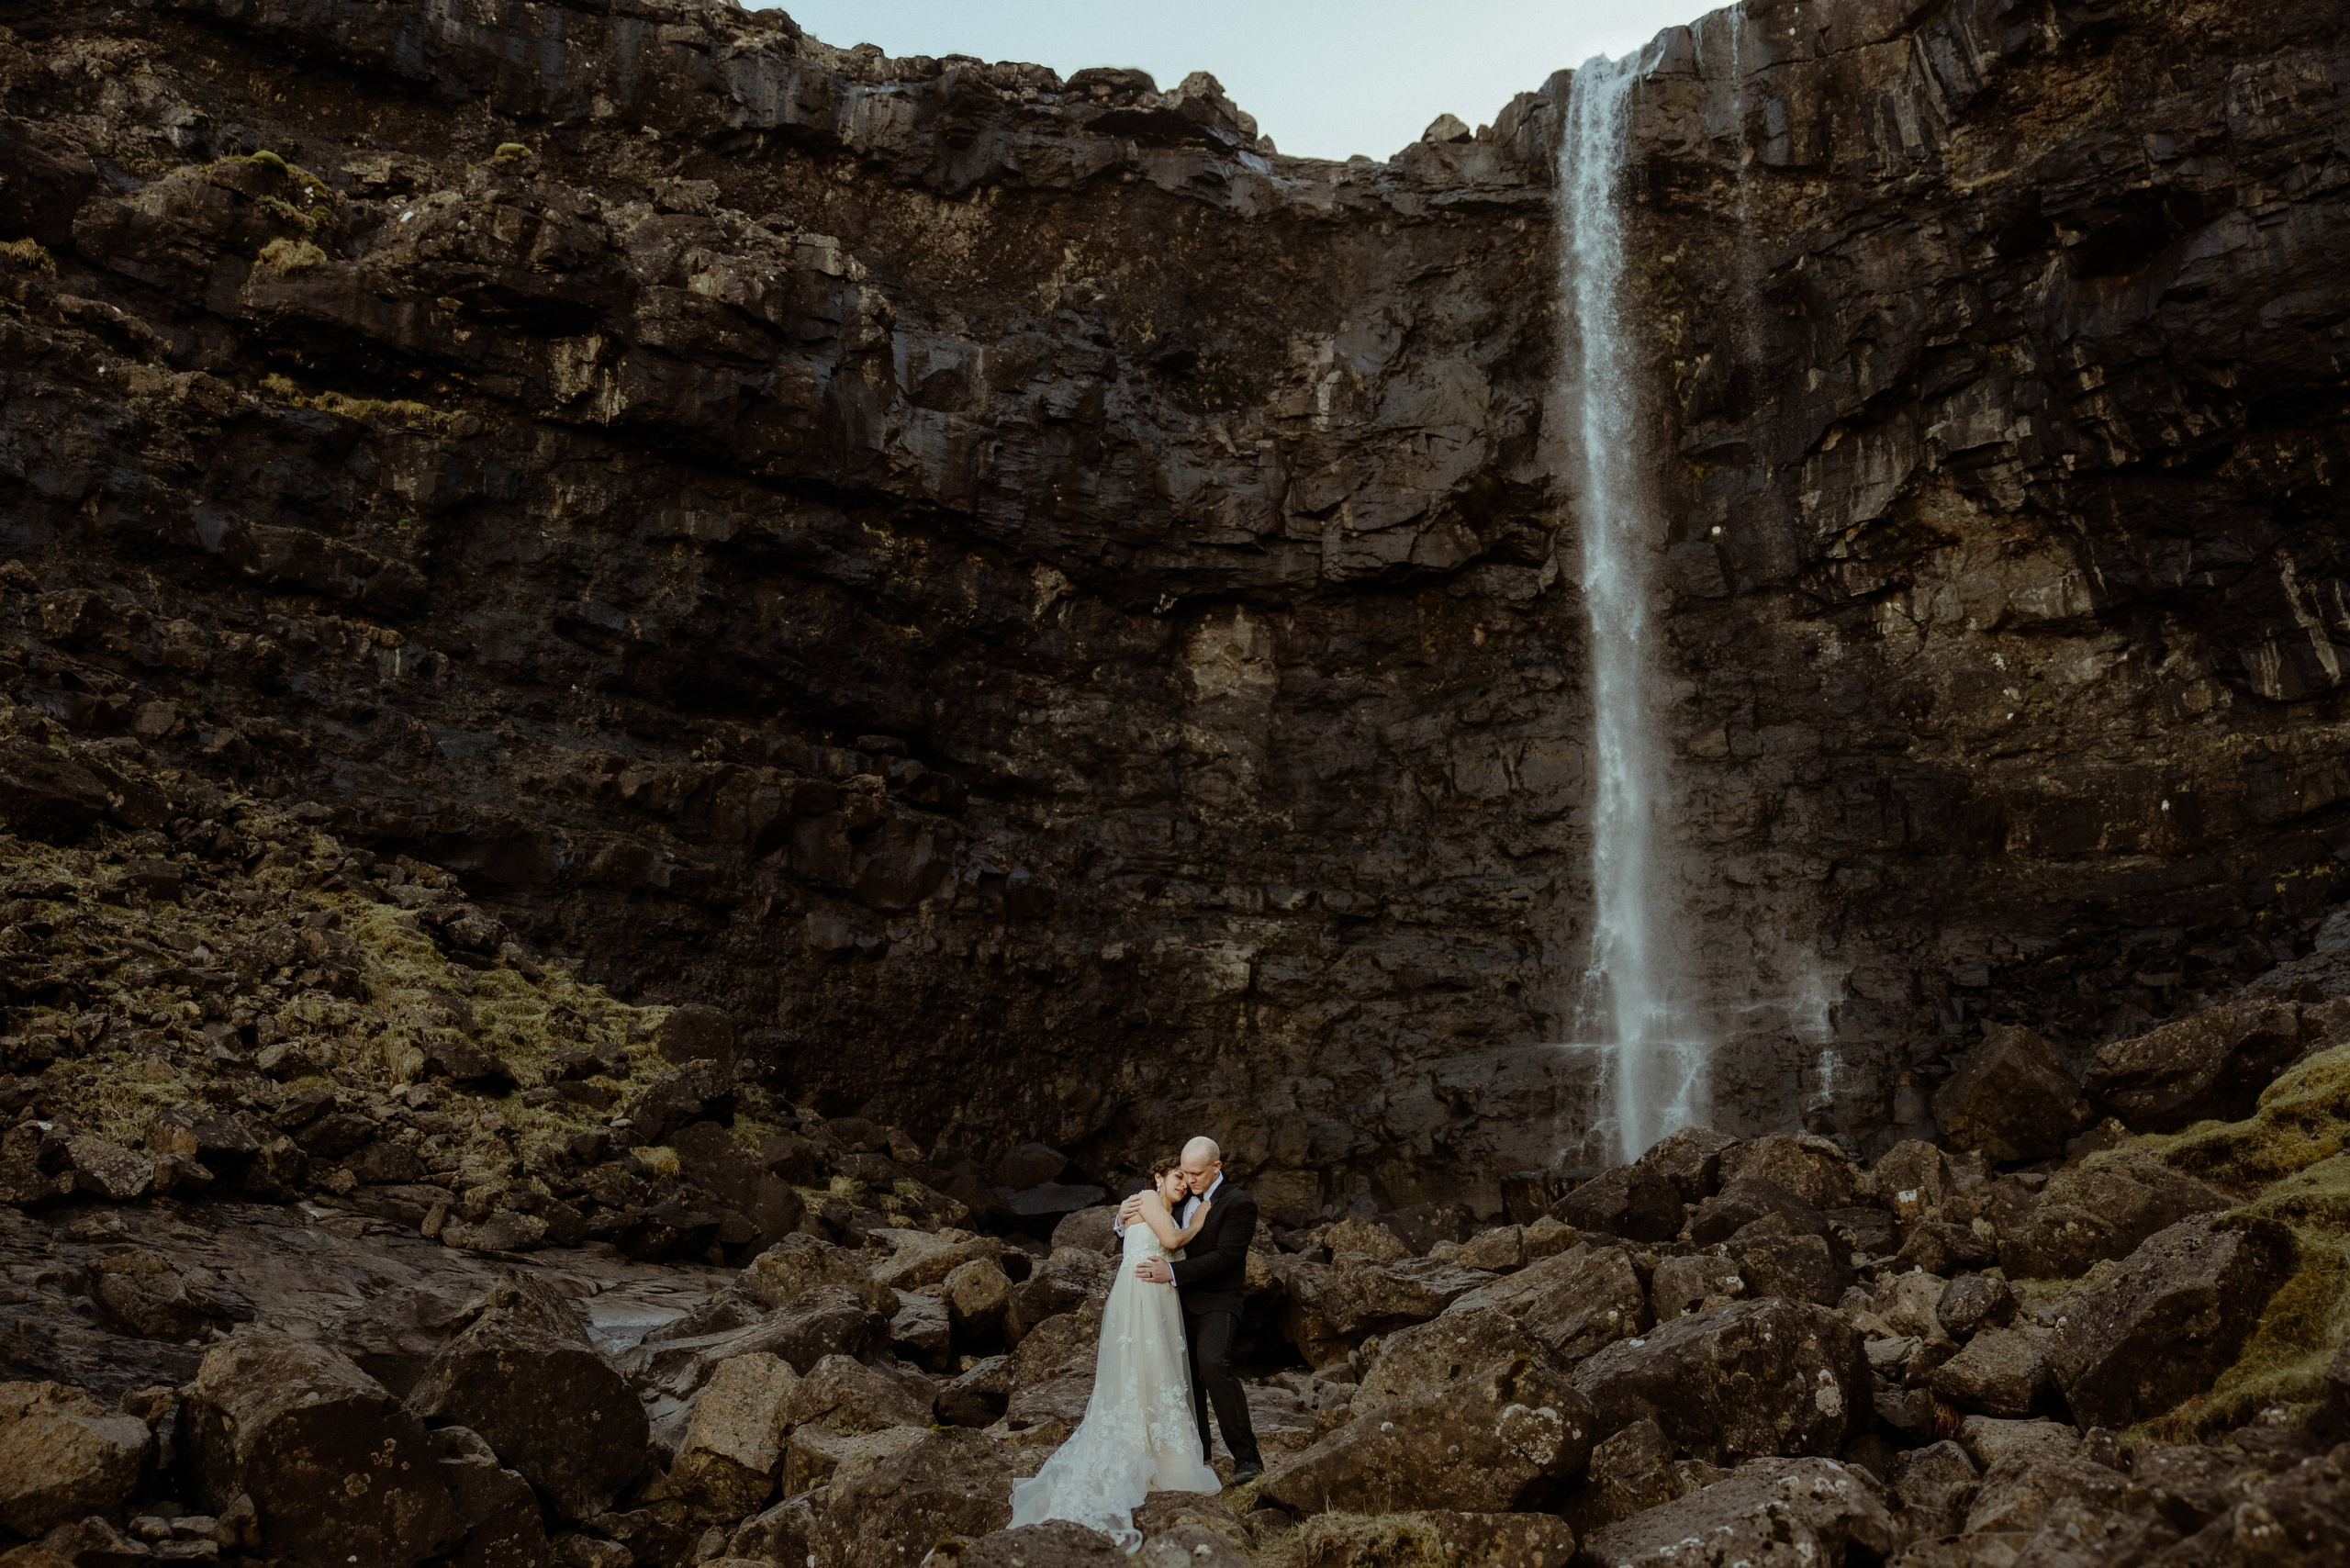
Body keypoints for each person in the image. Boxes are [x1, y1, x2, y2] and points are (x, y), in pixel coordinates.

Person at [1006, 1153, 1222, 1549]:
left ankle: (1161, 1449)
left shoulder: (1161, 1208)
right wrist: (1198, 1222)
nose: (1182, 1183)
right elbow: (1171, 1241)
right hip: (1141, 1296)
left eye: (1186, 1177)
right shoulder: (1149, 1199)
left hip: (1159, 1298)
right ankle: (1145, 1452)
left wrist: (1122, 1222)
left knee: (1158, 1370)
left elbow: (1153, 1239)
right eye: (1176, 1176)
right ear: (1158, 1178)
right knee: (1144, 1366)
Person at [1121, 1135, 1264, 1484]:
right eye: (1184, 1173)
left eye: (1197, 1174)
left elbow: (1226, 1257)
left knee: (1213, 1364)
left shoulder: (1239, 1204)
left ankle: (1248, 1460)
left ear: (1217, 1167)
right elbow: (1149, 1231)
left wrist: (1171, 1272)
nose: (1189, 1180)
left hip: (1218, 1300)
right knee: (1182, 1377)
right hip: (1175, 1301)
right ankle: (1197, 1456)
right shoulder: (1178, 1195)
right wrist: (1121, 1219)